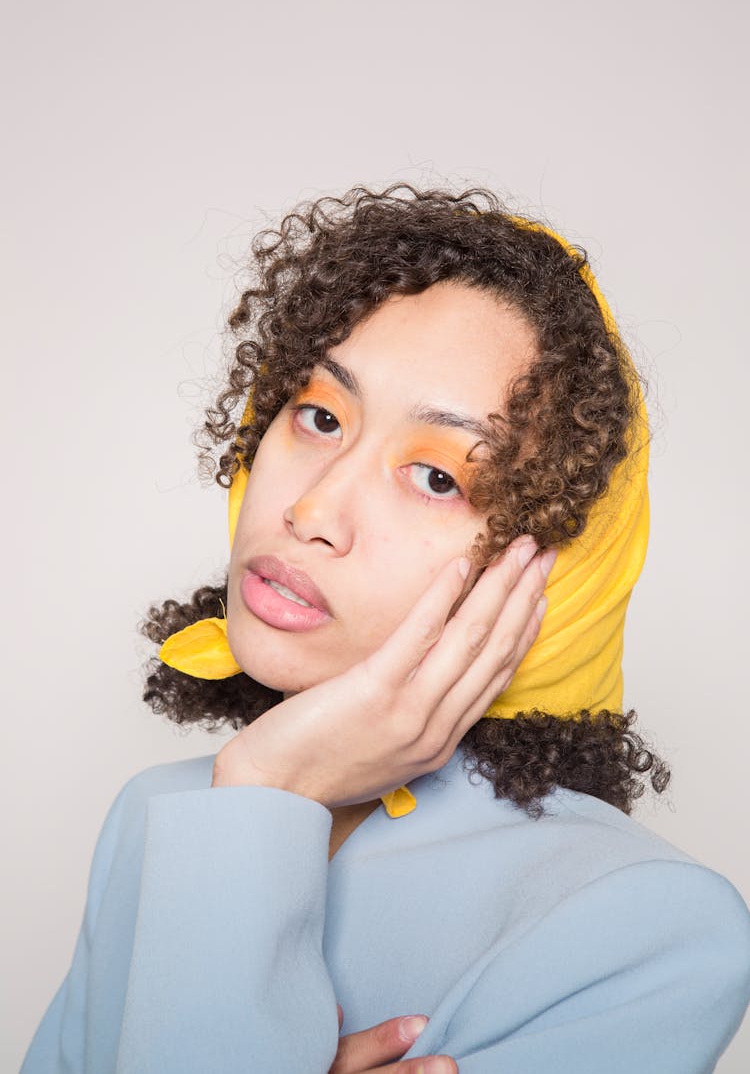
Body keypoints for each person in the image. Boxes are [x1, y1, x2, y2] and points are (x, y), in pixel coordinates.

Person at [21, 184, 750, 1074]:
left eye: (438, 477)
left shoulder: (649, 927)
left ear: (555, 573)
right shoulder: (158, 816)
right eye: (320, 416)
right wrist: (260, 791)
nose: (313, 509)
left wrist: (264, 786)